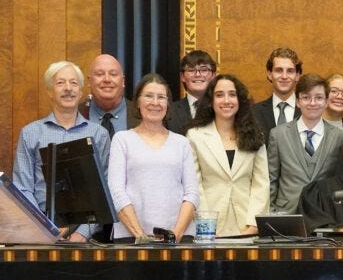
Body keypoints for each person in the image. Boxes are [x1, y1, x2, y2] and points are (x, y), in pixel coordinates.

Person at [13, 60, 111, 242]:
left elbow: (105, 190)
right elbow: (22, 187)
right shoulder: (30, 133)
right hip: (40, 231)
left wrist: (82, 233)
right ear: (49, 91)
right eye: (60, 83)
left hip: (86, 235)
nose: (68, 88)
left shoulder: (99, 134)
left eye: (74, 83)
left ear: (80, 92)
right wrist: (45, 228)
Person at [108, 73, 199, 243]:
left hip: (178, 238)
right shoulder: (122, 140)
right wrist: (140, 236)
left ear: (168, 104)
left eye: (161, 97)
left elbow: (192, 193)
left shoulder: (182, 142)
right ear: (138, 102)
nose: (155, 103)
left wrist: (175, 235)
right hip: (131, 238)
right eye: (148, 96)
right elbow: (116, 191)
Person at [186, 74, 268, 236]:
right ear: (210, 101)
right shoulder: (195, 136)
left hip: (246, 225)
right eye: (219, 95)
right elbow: (195, 185)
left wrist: (253, 224)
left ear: (240, 100)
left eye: (232, 94)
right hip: (209, 226)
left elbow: (261, 184)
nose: (226, 100)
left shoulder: (255, 135)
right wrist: (206, 225)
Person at [268, 73, 343, 214]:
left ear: (326, 101)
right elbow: (271, 180)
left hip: (325, 213)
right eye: (306, 97)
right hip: (286, 213)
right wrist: (271, 213)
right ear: (298, 101)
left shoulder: (340, 137)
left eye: (319, 98)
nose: (312, 103)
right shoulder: (278, 134)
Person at [81, 54, 139, 137]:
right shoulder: (75, 115)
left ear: (123, 81)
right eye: (100, 74)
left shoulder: (141, 115)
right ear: (89, 81)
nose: (107, 79)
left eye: (113, 74)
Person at [252, 47, 303, 137]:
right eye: (279, 70)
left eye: (290, 71)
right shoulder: (254, 112)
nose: (284, 76)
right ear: (270, 74)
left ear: (297, 76)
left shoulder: (309, 109)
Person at [166, 50, 217, 134]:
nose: (198, 74)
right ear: (182, 76)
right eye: (191, 70)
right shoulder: (169, 111)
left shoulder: (222, 108)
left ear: (213, 75)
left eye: (204, 70)